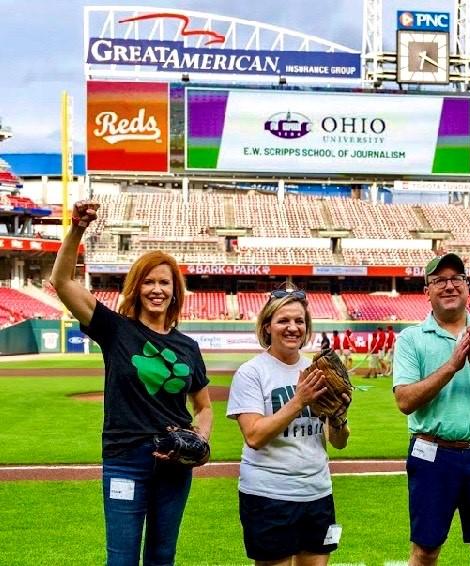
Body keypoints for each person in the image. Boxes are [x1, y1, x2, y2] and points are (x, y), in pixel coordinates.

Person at [50, 201, 213, 566]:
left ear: (175, 291)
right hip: (125, 459)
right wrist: (76, 229)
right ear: (136, 288)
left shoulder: (188, 347)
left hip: (174, 462)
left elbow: (203, 406)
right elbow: (61, 282)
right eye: (149, 282)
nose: (157, 289)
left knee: (161, 556)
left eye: (164, 283)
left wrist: (200, 439)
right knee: (121, 559)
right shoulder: (115, 329)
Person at [392, 253, 470, 566]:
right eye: (439, 280)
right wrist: (451, 366)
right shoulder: (410, 338)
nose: (449, 286)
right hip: (432, 453)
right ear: (427, 291)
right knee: (425, 552)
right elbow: (405, 401)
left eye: (456, 279)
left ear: (466, 285)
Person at [227, 288, 351, 565]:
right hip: (269, 495)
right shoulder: (252, 372)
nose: (293, 328)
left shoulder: (318, 371)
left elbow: (339, 442)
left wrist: (339, 417)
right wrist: (299, 401)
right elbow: (254, 436)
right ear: (267, 326)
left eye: (300, 321)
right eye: (283, 320)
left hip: (317, 491)